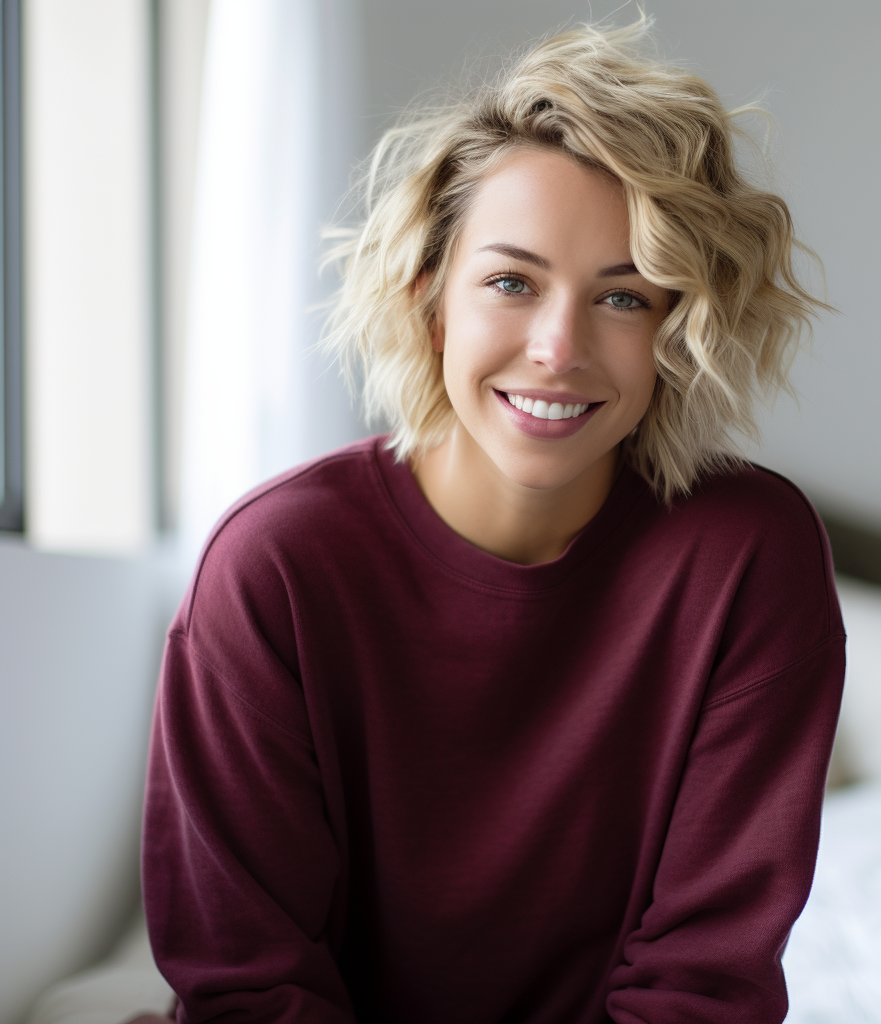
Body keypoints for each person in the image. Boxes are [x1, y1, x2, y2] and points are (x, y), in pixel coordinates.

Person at [142, 17, 844, 1024]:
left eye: (624, 298)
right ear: (431, 299)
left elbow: (703, 987)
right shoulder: (276, 565)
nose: (558, 348)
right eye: (511, 282)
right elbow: (248, 982)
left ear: (679, 330)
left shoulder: (747, 558)